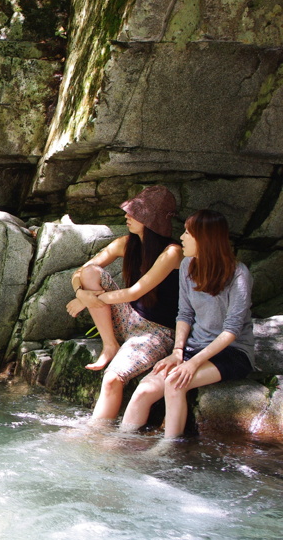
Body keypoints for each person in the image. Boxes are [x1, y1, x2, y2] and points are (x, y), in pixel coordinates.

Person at [120, 209, 254, 439]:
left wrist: (192, 365)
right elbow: (184, 314)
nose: (181, 237)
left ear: (205, 239)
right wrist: (178, 352)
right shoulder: (187, 266)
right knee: (144, 390)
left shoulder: (239, 274)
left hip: (232, 352)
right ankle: (119, 445)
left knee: (175, 383)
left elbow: (232, 330)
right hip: (194, 348)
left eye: (187, 233)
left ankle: (168, 450)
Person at [65, 185, 183, 424]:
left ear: (151, 220)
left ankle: (96, 432)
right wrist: (81, 292)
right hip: (127, 319)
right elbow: (81, 272)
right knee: (91, 273)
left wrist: (88, 301)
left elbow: (135, 292)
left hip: (157, 331)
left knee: (112, 378)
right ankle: (110, 345)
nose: (126, 216)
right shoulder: (125, 243)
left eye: (135, 213)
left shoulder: (172, 252)